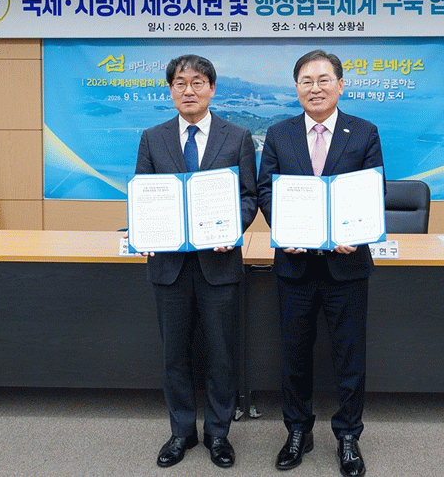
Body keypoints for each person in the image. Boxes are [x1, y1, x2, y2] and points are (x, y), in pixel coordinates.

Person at [257, 50, 384, 477]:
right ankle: (298, 431)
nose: (315, 88)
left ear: (340, 85)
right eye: (306, 81)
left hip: (347, 267)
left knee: (350, 356)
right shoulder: (279, 133)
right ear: (296, 88)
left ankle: (348, 435)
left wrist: (357, 232)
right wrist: (285, 227)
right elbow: (266, 190)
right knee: (294, 354)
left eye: (323, 79)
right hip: (295, 268)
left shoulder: (363, 132)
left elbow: (373, 190)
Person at [134, 54, 257, 469]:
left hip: (218, 265)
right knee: (175, 355)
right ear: (171, 91)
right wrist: (144, 230)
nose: (189, 90)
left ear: (212, 89)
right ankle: (181, 432)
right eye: (180, 83)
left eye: (198, 82)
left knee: (221, 353)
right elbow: (145, 193)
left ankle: (218, 433)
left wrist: (231, 229)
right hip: (169, 267)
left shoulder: (237, 136)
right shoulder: (152, 138)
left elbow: (248, 197)